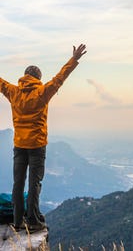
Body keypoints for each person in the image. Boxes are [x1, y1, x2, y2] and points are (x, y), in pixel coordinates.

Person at [0, 44, 87, 232]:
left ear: (24, 76)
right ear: (38, 78)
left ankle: (17, 221)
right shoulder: (42, 92)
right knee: (34, 183)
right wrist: (73, 59)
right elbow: (60, 78)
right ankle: (32, 221)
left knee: (18, 182)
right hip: (37, 146)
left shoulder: (13, 92)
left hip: (19, 145)